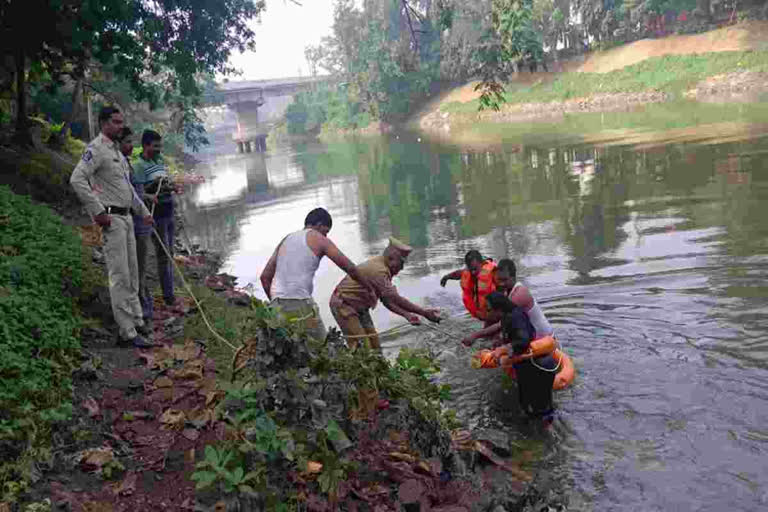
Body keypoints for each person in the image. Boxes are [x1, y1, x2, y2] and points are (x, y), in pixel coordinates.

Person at [70, 106, 154, 348]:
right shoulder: (96, 149)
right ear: (104, 123)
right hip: (112, 220)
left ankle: (137, 321)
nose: (120, 126)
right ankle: (126, 332)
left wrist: (144, 212)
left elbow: (127, 189)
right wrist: (97, 211)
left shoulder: (117, 152)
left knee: (132, 272)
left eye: (121, 122)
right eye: (116, 122)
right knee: (119, 276)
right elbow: (77, 179)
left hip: (127, 218)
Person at [260, 207, 374, 341]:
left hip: (276, 305)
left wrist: (276, 304)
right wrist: (370, 289)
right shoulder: (319, 239)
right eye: (325, 232)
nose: (325, 236)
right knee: (323, 352)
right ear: (319, 225)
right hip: (301, 303)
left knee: (295, 352)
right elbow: (350, 268)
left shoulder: (286, 239)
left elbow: (265, 277)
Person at [330, 237, 442, 349]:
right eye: (401, 263)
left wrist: (406, 315)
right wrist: (424, 312)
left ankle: (378, 364)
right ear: (391, 258)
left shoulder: (385, 267)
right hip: (343, 305)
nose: (402, 268)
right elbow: (395, 298)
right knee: (362, 347)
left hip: (359, 307)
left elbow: (386, 300)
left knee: (375, 344)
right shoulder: (379, 271)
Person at [486, 291, 557, 424]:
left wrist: (504, 349)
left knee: (542, 407)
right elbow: (512, 335)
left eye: (489, 309)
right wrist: (501, 341)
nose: (487, 312)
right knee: (525, 402)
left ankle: (549, 433)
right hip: (525, 365)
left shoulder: (516, 316)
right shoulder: (506, 316)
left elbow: (523, 341)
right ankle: (532, 429)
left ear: (498, 309)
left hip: (540, 366)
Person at [461, 258, 553, 347]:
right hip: (527, 333)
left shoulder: (520, 293)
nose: (501, 284)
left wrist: (475, 335)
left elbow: (501, 323)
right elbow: (493, 316)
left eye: (505, 280)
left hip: (543, 338)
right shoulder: (505, 292)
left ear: (513, 278)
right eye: (499, 280)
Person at [132, 129, 178, 306]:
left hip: (169, 211)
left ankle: (170, 291)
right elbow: (140, 193)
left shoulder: (159, 162)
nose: (159, 149)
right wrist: (155, 184)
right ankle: (169, 296)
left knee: (170, 253)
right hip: (155, 215)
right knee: (163, 255)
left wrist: (170, 187)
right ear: (145, 145)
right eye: (155, 146)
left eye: (160, 146)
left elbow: (164, 185)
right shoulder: (138, 166)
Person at [120, 128, 154, 327]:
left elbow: (137, 193)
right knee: (138, 269)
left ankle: (145, 307)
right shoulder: (120, 166)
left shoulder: (127, 164)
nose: (131, 145)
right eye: (127, 142)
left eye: (132, 141)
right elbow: (130, 196)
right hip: (136, 225)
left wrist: (148, 198)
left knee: (141, 268)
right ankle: (141, 310)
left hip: (143, 222)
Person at [439, 250, 498, 326]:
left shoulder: (494, 272)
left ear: (482, 263)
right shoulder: (469, 271)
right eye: (470, 270)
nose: (472, 272)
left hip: (497, 313)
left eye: (475, 269)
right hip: (485, 314)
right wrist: (446, 277)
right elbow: (460, 273)